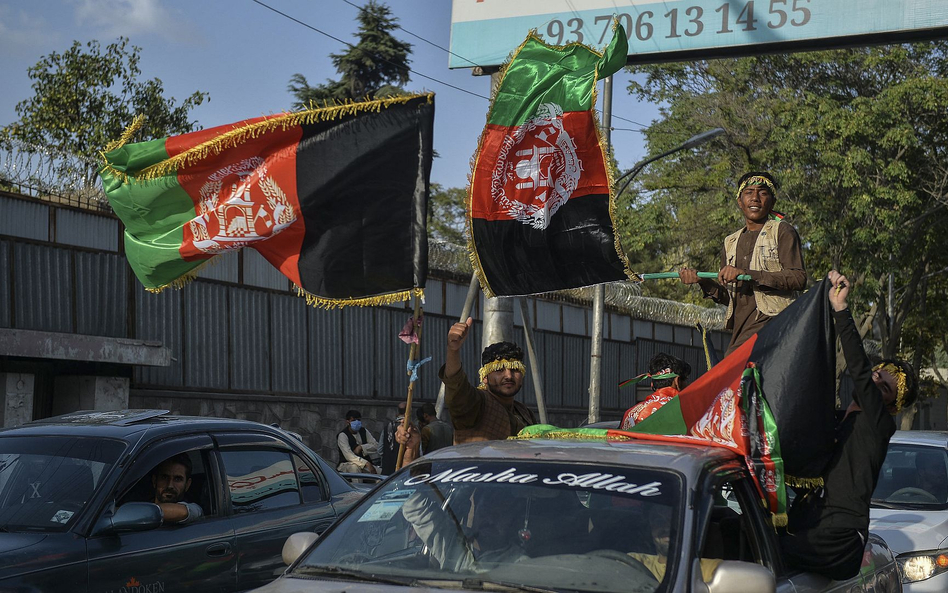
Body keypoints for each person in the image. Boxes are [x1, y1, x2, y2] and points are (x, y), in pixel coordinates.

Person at [779, 270, 918, 580]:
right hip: (811, 524)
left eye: (884, 387)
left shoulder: (880, 424)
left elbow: (857, 365)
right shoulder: (836, 420)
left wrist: (840, 310)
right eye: (878, 373)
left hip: (838, 541)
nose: (874, 377)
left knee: (764, 548)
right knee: (734, 530)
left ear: (890, 404)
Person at [680, 172, 806, 355]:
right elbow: (729, 297)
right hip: (741, 331)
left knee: (730, 376)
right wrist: (701, 281)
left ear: (772, 202)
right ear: (740, 201)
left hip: (775, 326)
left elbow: (798, 278)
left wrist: (747, 274)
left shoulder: (782, 231)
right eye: (749, 192)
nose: (755, 198)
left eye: (763, 192)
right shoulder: (730, 242)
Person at [439, 318, 536, 443]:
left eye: (515, 369)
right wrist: (453, 350)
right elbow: (455, 384)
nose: (508, 376)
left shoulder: (524, 413)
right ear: (485, 377)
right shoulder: (476, 403)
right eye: (499, 370)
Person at [620, 353, 691, 430]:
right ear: (677, 382)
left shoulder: (630, 414)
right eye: (686, 381)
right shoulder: (685, 412)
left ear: (652, 385)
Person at [149, 454, 203, 524]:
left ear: (187, 485)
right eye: (164, 477)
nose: (170, 485)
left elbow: (183, 512)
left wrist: (137, 512)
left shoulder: (194, 509)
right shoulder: (143, 505)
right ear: (154, 481)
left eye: (177, 479)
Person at [336, 410, 380, 474]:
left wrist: (361, 447)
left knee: (381, 472)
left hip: (364, 464)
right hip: (347, 464)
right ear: (348, 422)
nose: (357, 422)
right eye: (353, 420)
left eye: (358, 420)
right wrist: (366, 463)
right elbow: (349, 456)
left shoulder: (363, 431)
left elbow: (376, 445)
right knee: (355, 468)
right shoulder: (343, 435)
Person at [379, 401, 408, 475]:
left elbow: (380, 450)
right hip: (405, 470)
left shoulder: (387, 427)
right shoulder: (411, 429)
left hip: (387, 470)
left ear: (397, 412)